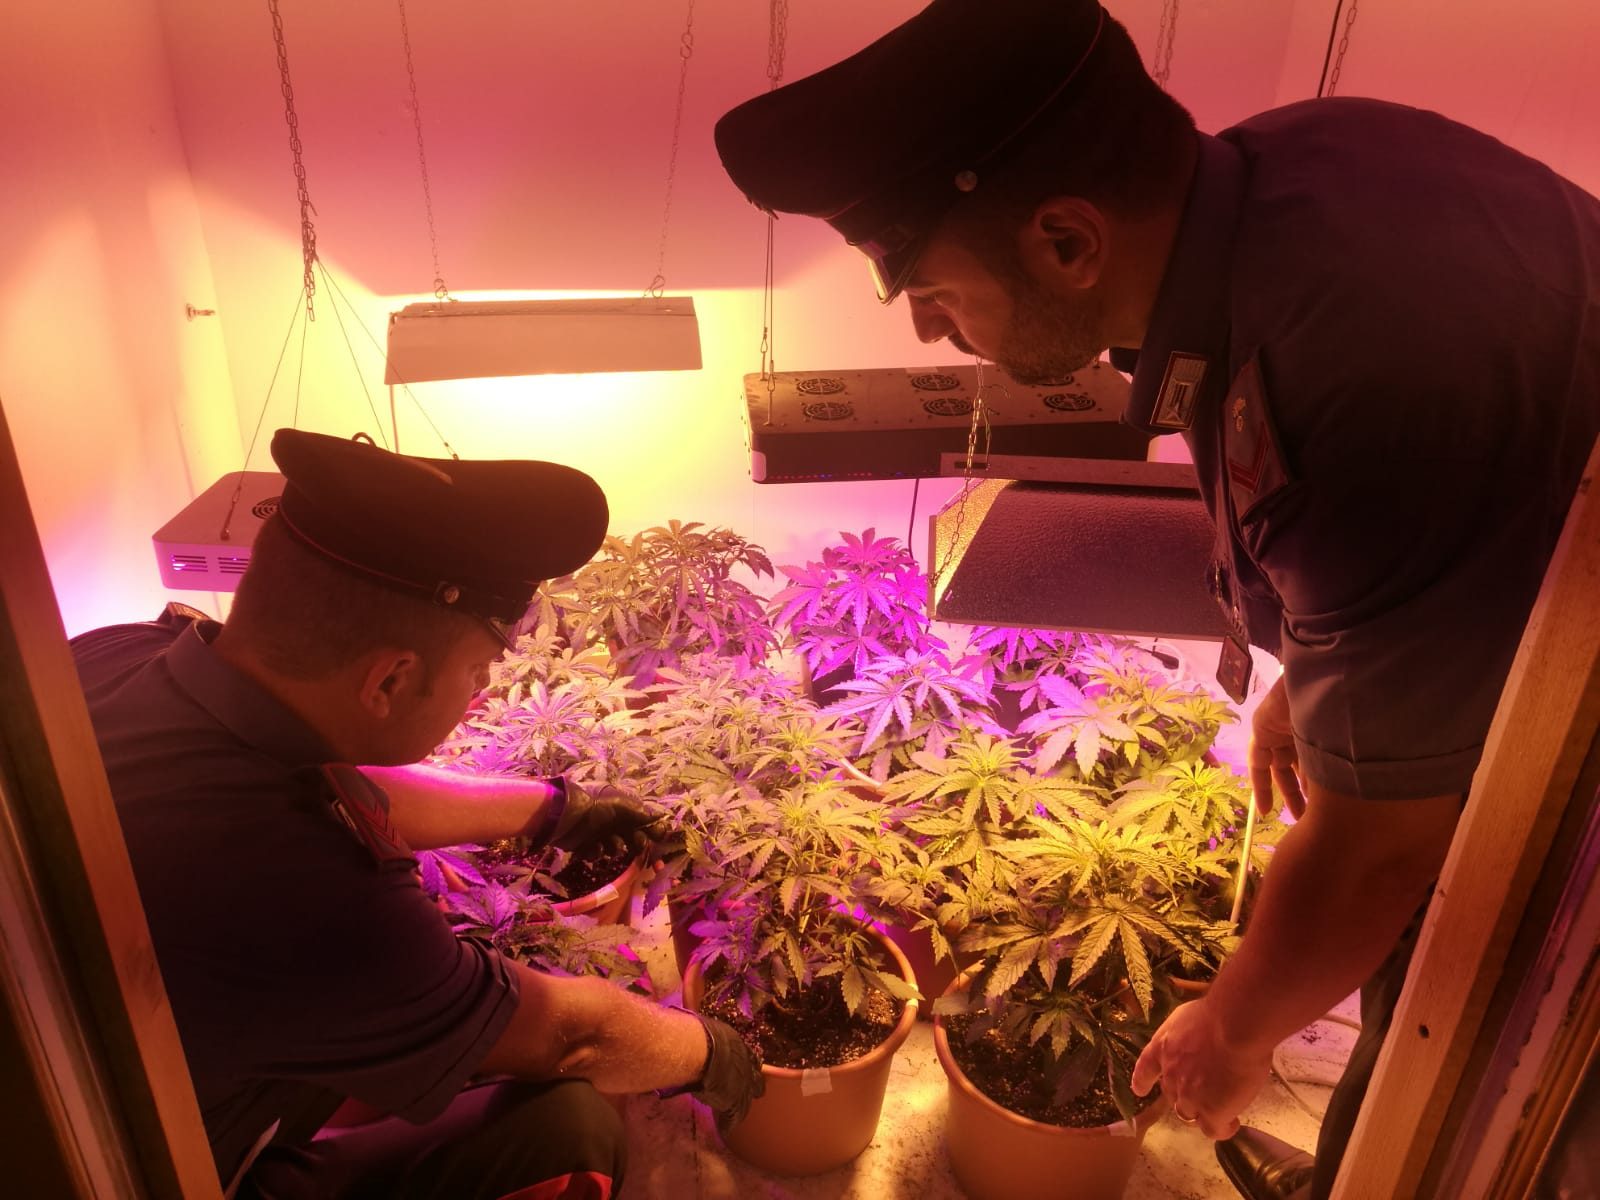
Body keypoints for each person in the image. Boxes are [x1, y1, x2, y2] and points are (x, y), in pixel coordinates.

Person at [712, 2, 1600, 1198]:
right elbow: (1451, 540)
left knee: (1481, 1090)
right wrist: (1325, 674)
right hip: (1533, 676)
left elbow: (1379, 853)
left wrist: (1229, 1030)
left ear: (1065, 241)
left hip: (1569, 812)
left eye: (927, 286)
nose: (926, 324)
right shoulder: (1308, 166)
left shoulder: (1370, 370)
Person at [72, 429, 763, 1200]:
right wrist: (710, 1051)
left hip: (158, 1075)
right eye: (477, 671)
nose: (480, 690)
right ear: (390, 682)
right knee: (567, 1131)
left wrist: (552, 809)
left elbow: (336, 789)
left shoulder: (116, 656)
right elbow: (572, 1037)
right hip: (167, 1169)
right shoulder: (315, 898)